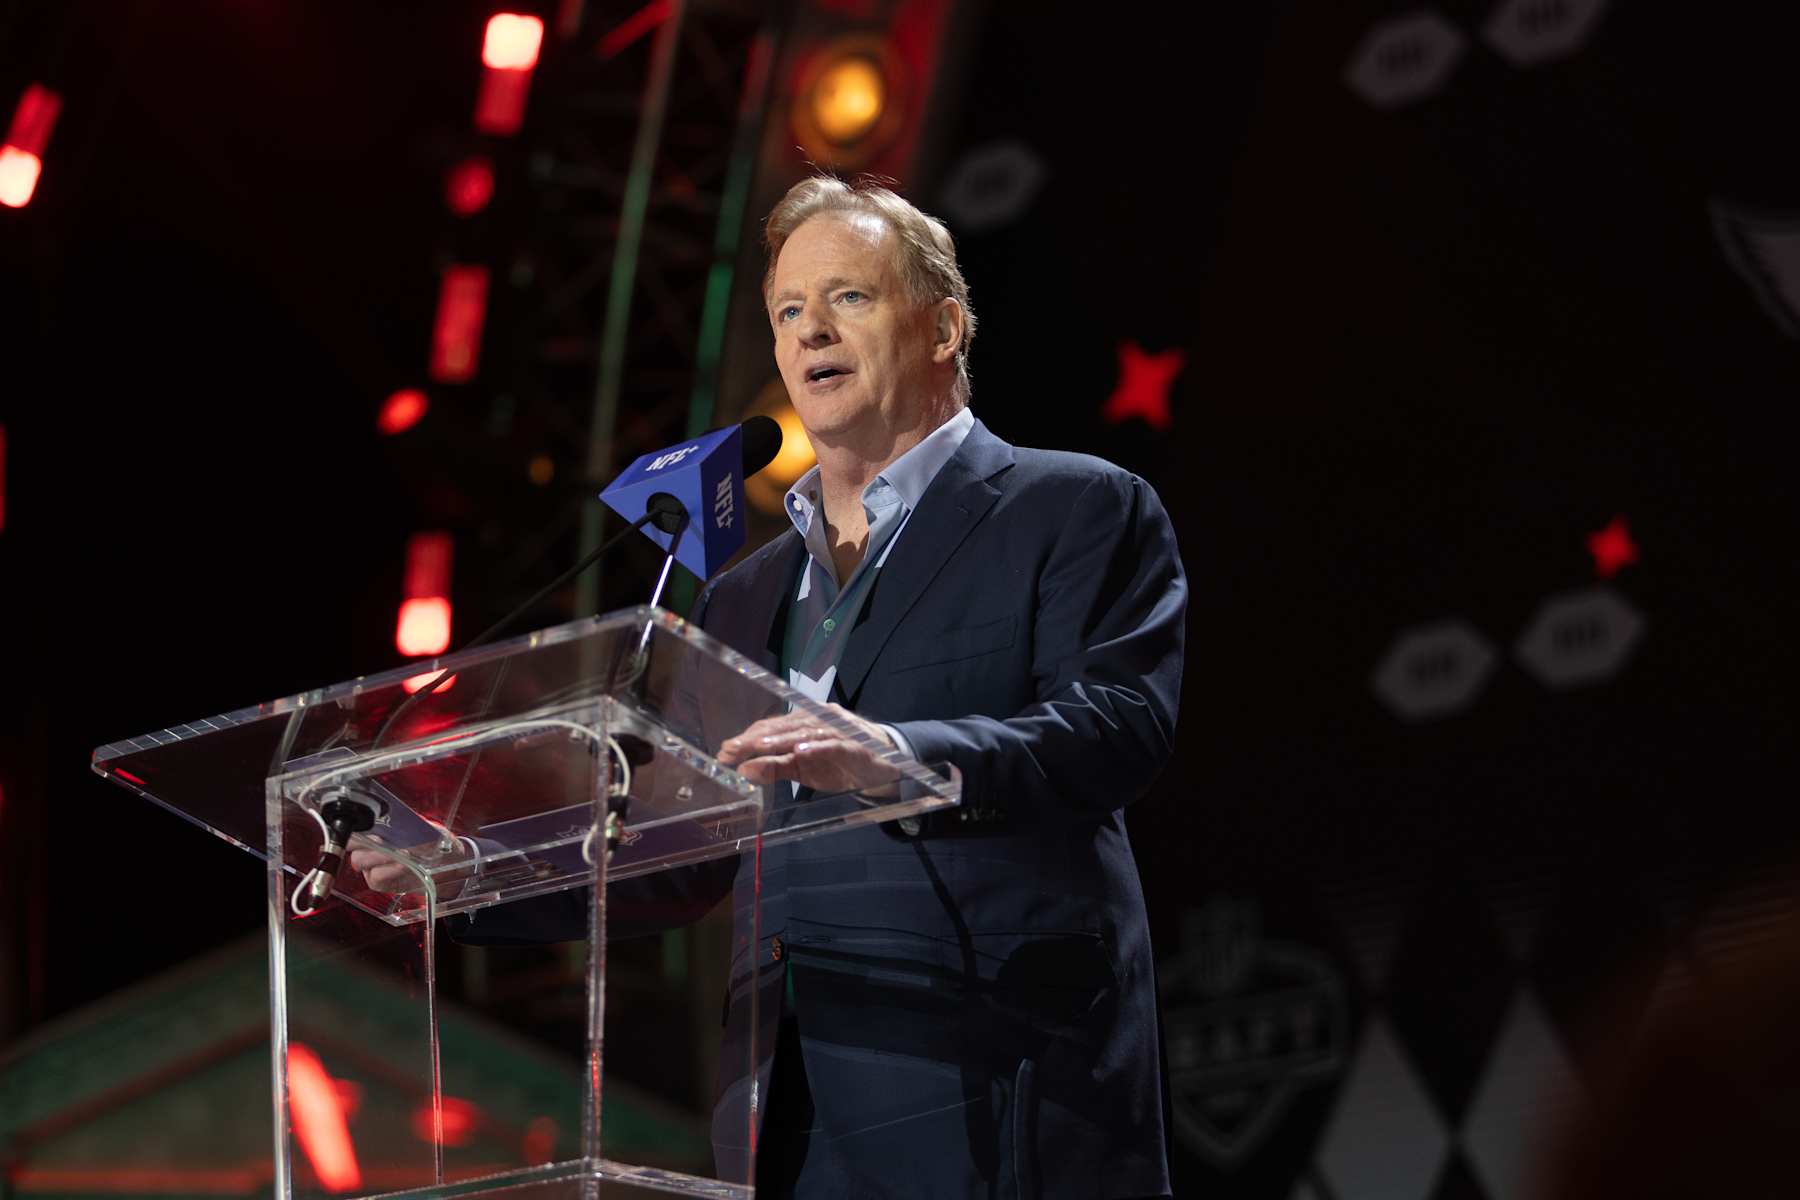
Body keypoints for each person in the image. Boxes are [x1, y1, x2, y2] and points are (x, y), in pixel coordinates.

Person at [361, 176, 1187, 1199]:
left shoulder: (1074, 508)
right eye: (788, 311)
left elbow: (1115, 728)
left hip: (996, 1081)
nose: (809, 333)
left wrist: (896, 759)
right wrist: (464, 875)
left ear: (943, 326)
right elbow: (682, 850)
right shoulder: (744, 596)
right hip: (784, 1112)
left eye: (848, 297)